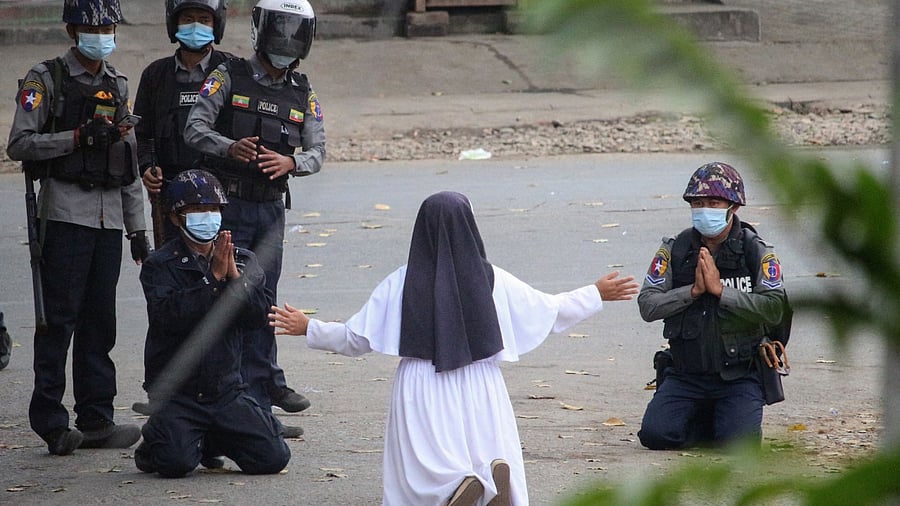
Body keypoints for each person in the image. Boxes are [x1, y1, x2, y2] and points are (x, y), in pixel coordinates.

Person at [269, 191, 639, 506]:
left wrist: (309, 328)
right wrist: (595, 294)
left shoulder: (400, 282)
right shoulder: (494, 280)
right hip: (481, 383)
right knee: (485, 443)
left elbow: (357, 338)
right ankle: (489, 485)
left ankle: (449, 490)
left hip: (420, 384)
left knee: (421, 460)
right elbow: (551, 310)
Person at [6, 0, 148, 456]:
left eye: (108, 26)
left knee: (99, 324)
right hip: (65, 214)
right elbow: (19, 144)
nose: (102, 34)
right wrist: (75, 138)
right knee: (58, 322)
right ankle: (50, 421)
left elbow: (126, 164)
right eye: (93, 26)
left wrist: (137, 229)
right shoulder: (46, 79)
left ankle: (96, 419)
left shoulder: (118, 84)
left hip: (108, 220)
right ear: (72, 29)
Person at [184, 0, 324, 430]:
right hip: (230, 204)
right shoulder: (228, 76)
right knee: (227, 298)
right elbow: (194, 128)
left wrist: (291, 164)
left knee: (262, 301)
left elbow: (318, 152)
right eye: (279, 29)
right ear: (261, 29)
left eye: (294, 31)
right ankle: (225, 399)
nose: (285, 40)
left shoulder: (303, 91)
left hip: (270, 209)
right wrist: (229, 146)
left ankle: (261, 400)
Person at [134, 169, 291, 478]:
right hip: (179, 392)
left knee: (273, 458)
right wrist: (212, 280)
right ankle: (156, 438)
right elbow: (170, 316)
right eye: (196, 211)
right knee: (174, 464)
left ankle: (211, 438)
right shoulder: (159, 265)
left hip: (226, 390)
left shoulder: (241, 259)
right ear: (177, 218)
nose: (207, 217)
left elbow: (260, 317)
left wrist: (235, 279)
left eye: (213, 210)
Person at [636, 162, 787, 450]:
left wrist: (721, 292)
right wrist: (692, 292)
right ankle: (708, 421)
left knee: (739, 446)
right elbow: (648, 305)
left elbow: (775, 307)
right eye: (698, 203)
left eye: (714, 202)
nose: (705, 209)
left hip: (739, 375)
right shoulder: (675, 249)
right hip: (685, 374)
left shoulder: (756, 251)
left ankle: (727, 423)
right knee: (656, 435)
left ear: (733, 207)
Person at [133, 0, 232, 248]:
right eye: (188, 19)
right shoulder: (155, 75)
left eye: (204, 20)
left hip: (222, 195)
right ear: (173, 23)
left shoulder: (233, 70)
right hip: (171, 196)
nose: (196, 26)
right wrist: (146, 168)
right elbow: (142, 135)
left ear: (216, 24)